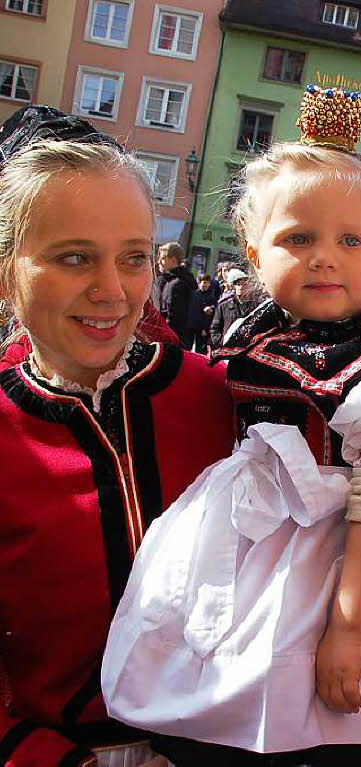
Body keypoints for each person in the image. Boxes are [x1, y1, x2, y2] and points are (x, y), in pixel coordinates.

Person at [101, 85, 361, 766]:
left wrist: (350, 624)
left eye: (350, 239)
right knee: (222, 683)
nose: (324, 256)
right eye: (298, 238)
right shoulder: (256, 329)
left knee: (321, 699)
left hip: (343, 557)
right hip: (246, 540)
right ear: (254, 255)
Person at [0, 106, 235, 767]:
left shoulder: (224, 399)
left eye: (133, 258)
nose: (112, 290)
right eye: (75, 258)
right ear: (5, 272)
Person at [155, 242, 196, 344]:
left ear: (173, 260)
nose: (159, 261)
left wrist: (164, 338)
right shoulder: (167, 279)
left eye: (163, 258)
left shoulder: (178, 284)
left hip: (171, 340)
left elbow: (174, 318)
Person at [208, 267, 258, 349]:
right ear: (234, 286)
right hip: (227, 350)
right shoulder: (223, 306)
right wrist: (221, 343)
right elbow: (215, 328)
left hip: (247, 350)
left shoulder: (255, 307)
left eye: (244, 284)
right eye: (238, 284)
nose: (241, 287)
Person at [185, 272, 216, 353]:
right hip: (190, 325)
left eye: (208, 283)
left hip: (202, 328)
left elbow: (214, 311)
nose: (206, 285)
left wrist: (206, 328)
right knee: (187, 347)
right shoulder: (193, 294)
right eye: (204, 282)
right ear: (199, 283)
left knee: (200, 350)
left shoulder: (211, 296)